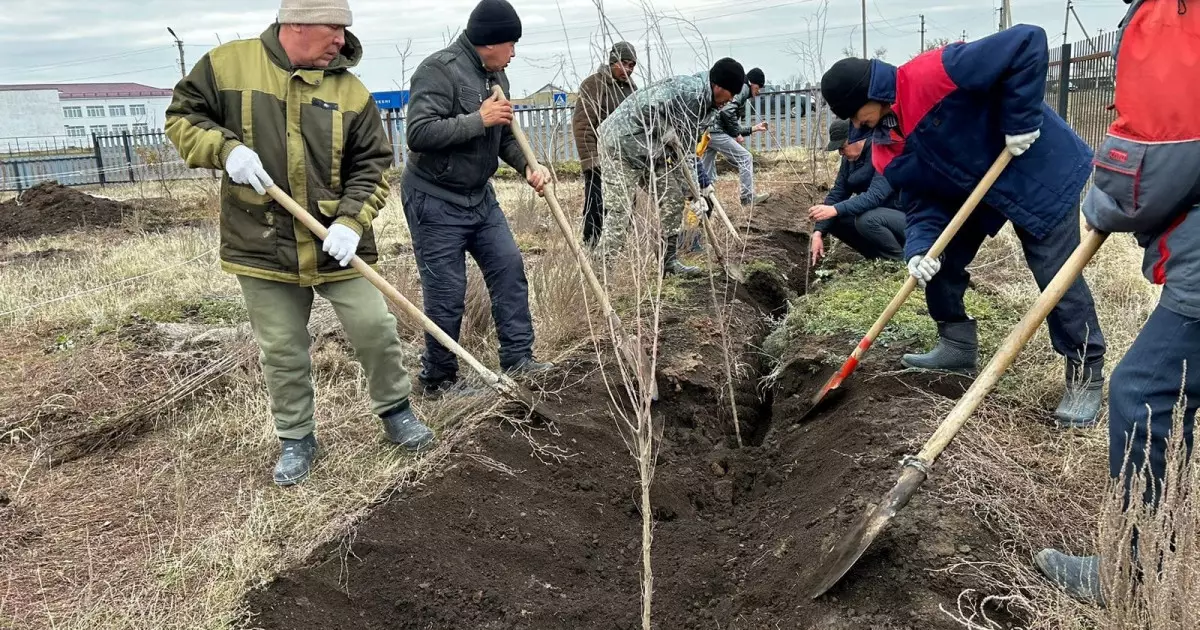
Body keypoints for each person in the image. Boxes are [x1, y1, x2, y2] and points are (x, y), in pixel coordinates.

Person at [164, 0, 434, 486]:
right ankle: (297, 438)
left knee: (375, 327)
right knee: (283, 348)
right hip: (262, 240)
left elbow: (372, 166)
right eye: (334, 29)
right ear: (296, 24)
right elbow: (183, 120)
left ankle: (396, 413)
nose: (342, 41)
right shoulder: (228, 65)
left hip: (336, 241)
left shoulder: (350, 93)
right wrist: (225, 151)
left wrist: (352, 223)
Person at [820, 24, 1107, 428]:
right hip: (979, 189)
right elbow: (920, 203)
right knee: (939, 257)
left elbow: (1028, 41)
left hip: (1036, 167)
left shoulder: (931, 74)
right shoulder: (886, 147)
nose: (856, 125)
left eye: (854, 114)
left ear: (871, 95)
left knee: (1054, 273)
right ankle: (956, 344)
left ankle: (1084, 371)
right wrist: (918, 248)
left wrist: (1021, 119)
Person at [1035, 0, 1199, 604]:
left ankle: (1133, 571)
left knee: (1144, 391)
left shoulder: (1172, 16)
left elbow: (1156, 160)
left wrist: (1102, 204)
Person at [402, 0, 553, 397]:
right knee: (447, 294)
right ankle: (438, 380)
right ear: (489, 42)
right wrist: (477, 119)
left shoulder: (495, 75)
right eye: (511, 44)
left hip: (479, 198)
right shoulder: (439, 70)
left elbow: (504, 136)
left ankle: (519, 358)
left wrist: (528, 167)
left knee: (509, 267)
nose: (514, 53)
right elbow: (418, 133)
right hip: (435, 199)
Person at [596, 58, 746, 276]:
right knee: (621, 211)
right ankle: (601, 271)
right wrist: (664, 128)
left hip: (651, 151)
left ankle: (669, 264)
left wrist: (696, 191)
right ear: (718, 86)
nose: (731, 100)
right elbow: (645, 106)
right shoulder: (687, 91)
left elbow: (686, 151)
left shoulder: (709, 106)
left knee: (673, 197)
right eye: (730, 94)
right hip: (621, 145)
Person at [809, 118, 905, 265]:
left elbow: (875, 196)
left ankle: (900, 260)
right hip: (881, 217)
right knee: (834, 220)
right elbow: (838, 192)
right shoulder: (849, 161)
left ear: (857, 138)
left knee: (866, 219)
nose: (841, 153)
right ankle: (877, 259)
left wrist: (835, 209)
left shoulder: (883, 150)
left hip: (906, 218)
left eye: (843, 147)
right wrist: (818, 232)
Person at [572, 41, 638, 248]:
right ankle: (591, 245)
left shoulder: (632, 89)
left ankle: (616, 247)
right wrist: (591, 161)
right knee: (597, 204)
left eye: (631, 65)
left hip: (625, 159)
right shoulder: (594, 84)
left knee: (625, 205)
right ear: (612, 61)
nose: (627, 69)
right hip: (600, 158)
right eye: (623, 63)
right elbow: (583, 125)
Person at [699, 67, 771, 206]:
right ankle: (747, 198)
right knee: (745, 157)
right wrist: (736, 134)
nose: (759, 90)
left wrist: (753, 129)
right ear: (753, 84)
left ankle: (704, 201)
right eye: (759, 86)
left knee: (706, 169)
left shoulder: (743, 88)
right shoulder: (743, 88)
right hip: (715, 132)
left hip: (708, 131)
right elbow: (727, 111)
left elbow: (728, 117)